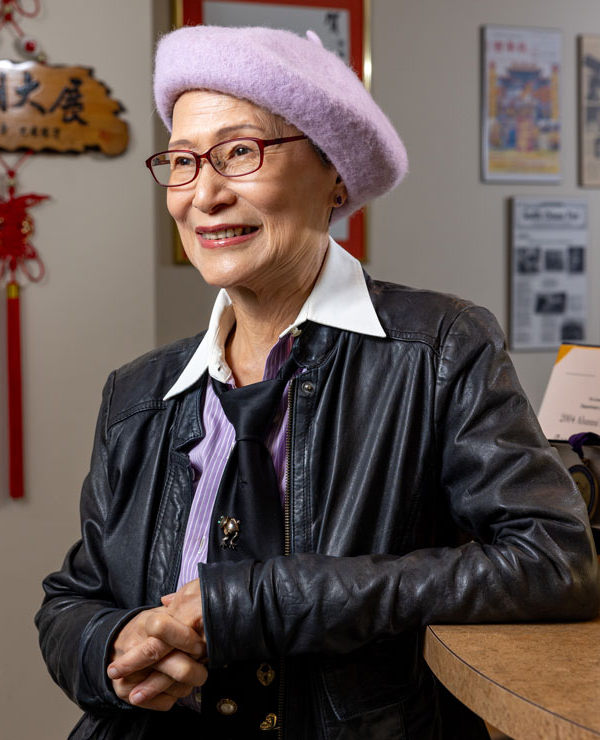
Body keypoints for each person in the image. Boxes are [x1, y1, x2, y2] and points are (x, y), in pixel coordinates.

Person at [35, 25, 599, 740]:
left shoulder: (439, 349)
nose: (202, 193)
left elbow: (552, 563)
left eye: (239, 152)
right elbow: (73, 599)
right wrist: (107, 649)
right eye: (181, 161)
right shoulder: (139, 393)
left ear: (334, 173)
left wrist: (263, 600)